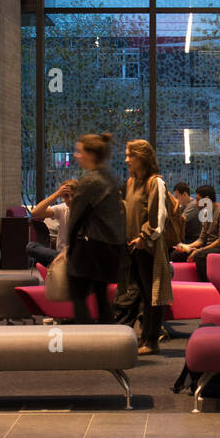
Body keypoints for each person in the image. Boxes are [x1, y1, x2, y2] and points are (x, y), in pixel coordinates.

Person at [66, 134, 125, 325]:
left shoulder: (89, 181)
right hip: (111, 247)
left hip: (90, 247)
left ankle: (86, 343)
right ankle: (107, 345)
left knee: (78, 295)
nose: (76, 155)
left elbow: (75, 218)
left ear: (91, 154)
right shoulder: (110, 177)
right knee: (101, 297)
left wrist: (69, 248)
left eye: (80, 151)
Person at [125, 139, 174, 355]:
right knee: (143, 294)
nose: (126, 160)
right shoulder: (131, 182)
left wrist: (144, 237)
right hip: (134, 247)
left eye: (130, 155)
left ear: (142, 158)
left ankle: (152, 340)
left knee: (154, 295)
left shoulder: (156, 182)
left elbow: (159, 217)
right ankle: (145, 338)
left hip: (150, 247)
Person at [174, 184, 220, 282]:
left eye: (198, 200)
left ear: (206, 199)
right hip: (209, 247)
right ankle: (185, 286)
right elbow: (202, 239)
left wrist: (199, 250)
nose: (196, 203)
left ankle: (204, 285)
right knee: (176, 254)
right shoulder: (205, 213)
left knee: (200, 255)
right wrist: (187, 247)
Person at [27, 179, 74, 268]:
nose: (70, 199)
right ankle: (58, 265)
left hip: (74, 255)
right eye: (66, 196)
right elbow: (34, 212)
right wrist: (56, 194)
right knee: (31, 247)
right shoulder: (62, 208)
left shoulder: (83, 211)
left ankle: (57, 265)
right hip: (59, 254)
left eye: (73, 195)